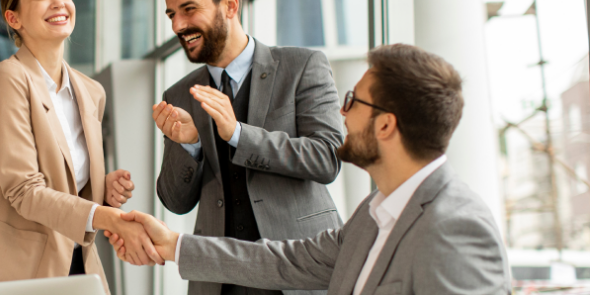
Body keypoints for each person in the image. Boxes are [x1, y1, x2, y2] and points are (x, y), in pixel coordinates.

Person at [110, 44, 512, 295]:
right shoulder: (373, 214)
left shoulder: (456, 226)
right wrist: (172, 245)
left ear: (386, 125)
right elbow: (284, 261)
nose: (342, 112)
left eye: (353, 101)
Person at [109, 0, 344, 295]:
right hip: (219, 281)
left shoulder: (302, 66)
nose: (178, 26)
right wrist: (189, 145)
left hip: (298, 269)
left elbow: (327, 158)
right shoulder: (178, 95)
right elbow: (175, 201)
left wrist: (238, 134)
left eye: (189, 10)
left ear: (230, 5)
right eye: (172, 15)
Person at [0, 0, 154, 294]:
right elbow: (24, 191)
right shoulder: (7, 79)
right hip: (17, 273)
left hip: (77, 263)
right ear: (14, 19)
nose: (58, 3)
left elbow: (67, 188)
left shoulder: (91, 92)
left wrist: (100, 188)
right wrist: (111, 219)